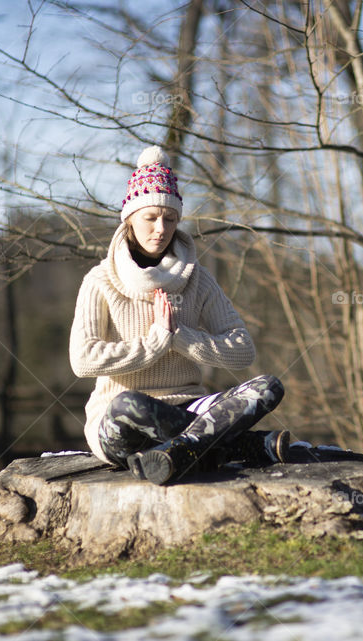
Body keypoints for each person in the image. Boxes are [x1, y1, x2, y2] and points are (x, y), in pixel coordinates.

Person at [69, 145, 289, 485]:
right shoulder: (100, 280)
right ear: (129, 218)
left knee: (268, 387)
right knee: (130, 405)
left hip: (191, 409)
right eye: (150, 218)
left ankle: (180, 450)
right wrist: (156, 342)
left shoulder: (197, 278)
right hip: (119, 421)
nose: (160, 228)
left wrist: (181, 338)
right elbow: (83, 360)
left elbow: (243, 349)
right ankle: (234, 446)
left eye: (169, 218)